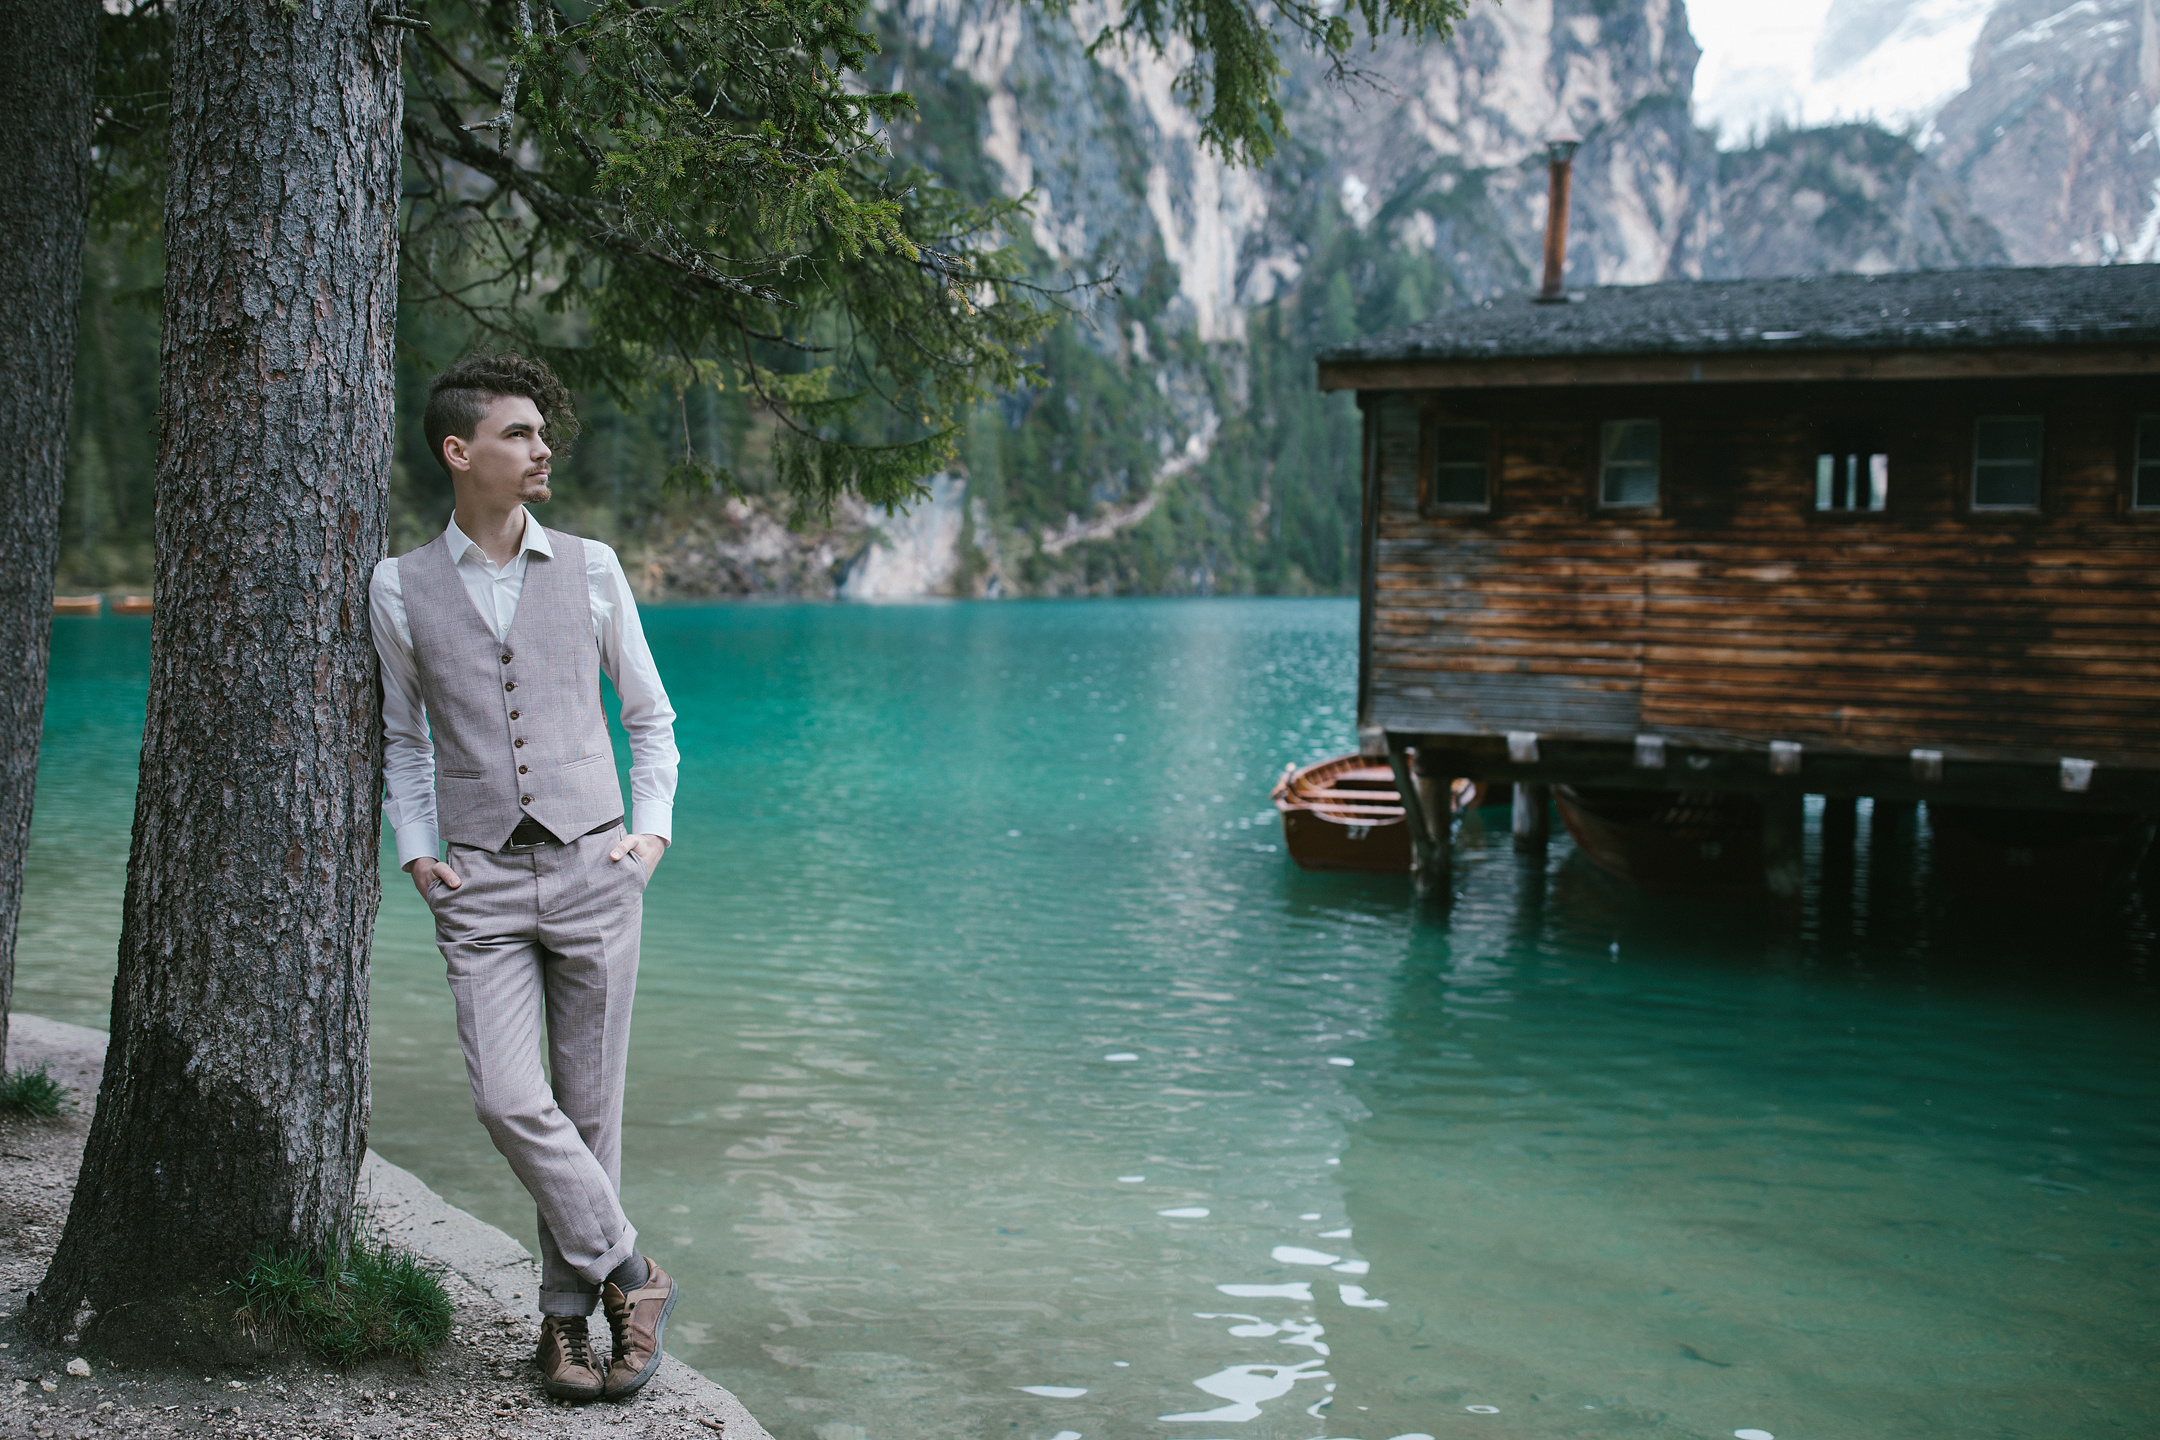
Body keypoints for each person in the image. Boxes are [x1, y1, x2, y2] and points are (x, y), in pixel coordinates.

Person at [368, 353, 681, 1402]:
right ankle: (635, 1276)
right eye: (520, 433)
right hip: (480, 885)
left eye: (543, 433)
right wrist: (419, 849)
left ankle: (565, 1328)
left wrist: (651, 837)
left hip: (597, 865)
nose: (544, 448)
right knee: (509, 1099)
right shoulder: (399, 586)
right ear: (460, 452)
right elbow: (403, 740)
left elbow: (649, 717)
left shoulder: (591, 568)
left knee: (589, 1116)